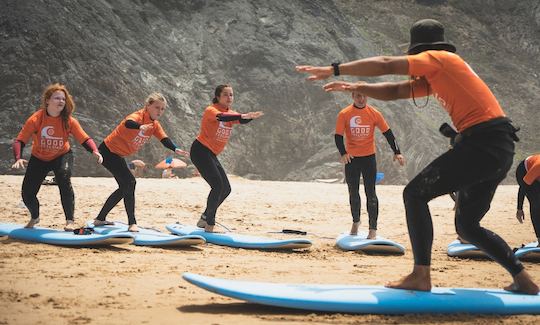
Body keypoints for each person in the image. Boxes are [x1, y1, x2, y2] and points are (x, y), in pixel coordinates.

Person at [296, 19, 538, 294]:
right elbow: (397, 90)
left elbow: (387, 63)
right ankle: (524, 280)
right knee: (468, 226)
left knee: (414, 194)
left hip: (483, 144)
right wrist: (359, 86)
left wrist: (333, 69)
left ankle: (420, 275)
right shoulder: (439, 74)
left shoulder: (439, 58)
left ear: (420, 51)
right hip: (498, 147)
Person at [11, 83, 103, 231]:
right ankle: (35, 217)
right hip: (38, 157)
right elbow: (20, 140)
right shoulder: (36, 119)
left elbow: (84, 138)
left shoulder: (69, 121)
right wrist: (18, 157)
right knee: (27, 193)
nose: (61, 101)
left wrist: (95, 151)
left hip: (62, 155)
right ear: (47, 100)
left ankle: (69, 221)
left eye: (63, 99)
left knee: (63, 177)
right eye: (57, 98)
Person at [93, 92, 189, 232]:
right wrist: (140, 127)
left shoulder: (154, 125)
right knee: (130, 182)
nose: (160, 111)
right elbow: (128, 123)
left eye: (162, 109)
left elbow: (164, 139)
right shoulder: (138, 117)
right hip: (107, 152)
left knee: (124, 187)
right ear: (148, 106)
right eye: (157, 107)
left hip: (118, 155)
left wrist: (176, 149)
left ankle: (100, 219)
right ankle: (132, 223)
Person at [191, 85, 263, 232]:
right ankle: (210, 224)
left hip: (210, 154)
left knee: (226, 189)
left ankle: (204, 218)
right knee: (217, 186)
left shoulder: (231, 113)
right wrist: (242, 116)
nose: (229, 97)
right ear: (218, 96)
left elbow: (238, 119)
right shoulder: (211, 110)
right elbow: (222, 117)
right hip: (200, 151)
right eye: (225, 95)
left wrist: (248, 117)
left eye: (231, 95)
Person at [335, 91, 405, 239]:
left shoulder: (374, 113)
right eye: (358, 96)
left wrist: (397, 152)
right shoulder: (345, 113)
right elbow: (338, 136)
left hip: (368, 158)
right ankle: (356, 222)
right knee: (353, 192)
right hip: (352, 159)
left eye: (364, 96)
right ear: (353, 96)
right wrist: (343, 153)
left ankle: (372, 229)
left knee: (371, 193)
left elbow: (388, 133)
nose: (362, 99)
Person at [515, 154, 540, 247]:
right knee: (536, 203)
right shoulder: (538, 167)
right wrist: (519, 209)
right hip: (524, 171)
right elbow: (523, 188)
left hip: (536, 175)